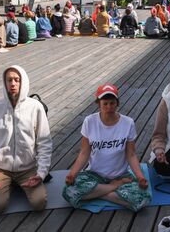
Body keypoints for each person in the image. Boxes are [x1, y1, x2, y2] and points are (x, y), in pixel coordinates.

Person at [0, 66, 52, 214]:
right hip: (1, 168)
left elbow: (44, 143)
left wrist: (41, 173)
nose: (13, 84)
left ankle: (17, 185)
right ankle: (4, 184)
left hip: (27, 168)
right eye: (9, 80)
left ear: (23, 82)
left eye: (17, 80)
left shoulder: (35, 107)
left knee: (39, 203)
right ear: (4, 83)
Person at [63, 83, 151, 211]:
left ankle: (96, 194)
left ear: (117, 103)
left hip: (120, 175)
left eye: (112, 103)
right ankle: (113, 188)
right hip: (95, 175)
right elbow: (84, 153)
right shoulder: (89, 121)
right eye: (105, 103)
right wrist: (72, 173)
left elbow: (131, 154)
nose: (109, 107)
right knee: (68, 190)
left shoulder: (128, 123)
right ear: (99, 104)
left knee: (142, 198)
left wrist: (140, 177)